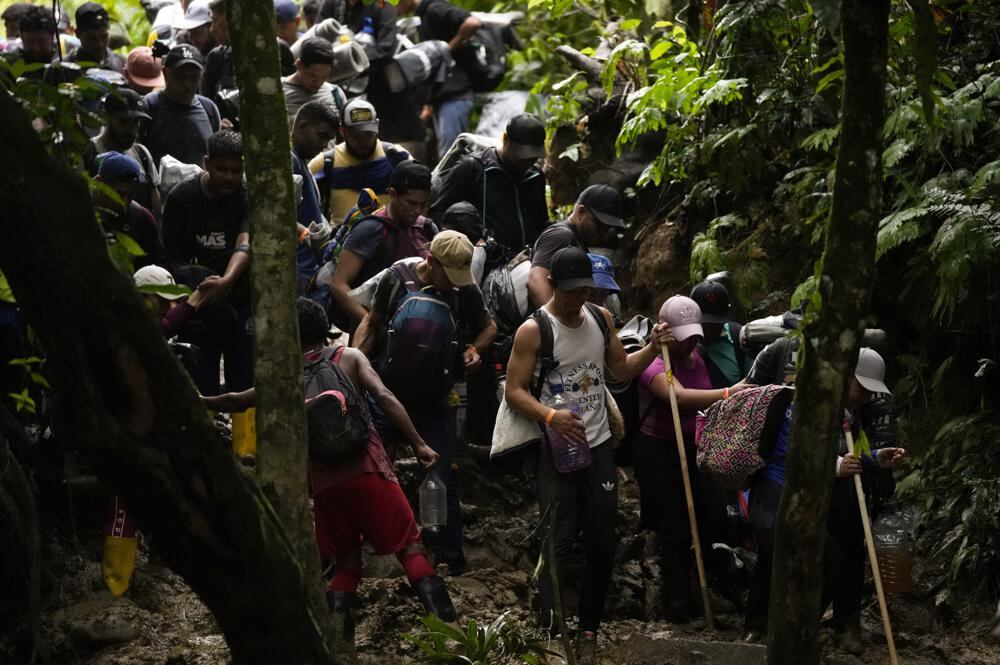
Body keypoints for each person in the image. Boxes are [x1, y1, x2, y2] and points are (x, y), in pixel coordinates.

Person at [204, 297, 457, 650]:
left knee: (346, 561)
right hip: (369, 470)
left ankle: (340, 644)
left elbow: (234, 400)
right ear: (325, 330)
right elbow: (383, 396)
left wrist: (197, 399)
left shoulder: (283, 379)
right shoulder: (349, 357)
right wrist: (418, 443)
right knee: (410, 547)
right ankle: (449, 636)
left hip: (325, 485)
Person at [504, 246, 671, 660]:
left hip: (598, 446)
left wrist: (651, 348)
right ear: (553, 285)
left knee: (602, 540)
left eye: (586, 291)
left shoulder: (600, 318)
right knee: (556, 541)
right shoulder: (534, 330)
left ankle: (589, 631)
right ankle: (549, 635)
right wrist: (548, 416)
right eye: (572, 291)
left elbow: (620, 370)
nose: (579, 299)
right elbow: (513, 391)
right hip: (556, 450)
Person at [741, 344, 906, 653]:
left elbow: (839, 457)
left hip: (819, 493)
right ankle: (761, 626)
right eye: (861, 389)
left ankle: (802, 627)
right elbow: (794, 455)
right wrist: (838, 466)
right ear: (844, 377)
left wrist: (874, 459)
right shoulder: (805, 399)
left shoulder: (845, 409)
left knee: (837, 559)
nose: (865, 398)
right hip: (777, 494)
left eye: (871, 393)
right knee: (777, 558)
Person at [355, 231, 496, 576]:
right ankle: (359, 550)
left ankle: (453, 560)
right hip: (388, 393)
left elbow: (489, 328)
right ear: (430, 262)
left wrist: (474, 349)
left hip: (435, 399)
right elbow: (371, 322)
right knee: (369, 468)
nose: (454, 284)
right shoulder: (397, 278)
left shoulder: (465, 289)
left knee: (441, 476)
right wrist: (353, 367)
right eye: (449, 275)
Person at [634, 295, 754, 623]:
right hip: (660, 453)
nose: (690, 342)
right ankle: (677, 608)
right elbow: (678, 396)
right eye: (683, 336)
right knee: (675, 529)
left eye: (693, 335)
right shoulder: (654, 364)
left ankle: (714, 591)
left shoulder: (698, 356)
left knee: (712, 517)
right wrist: (730, 392)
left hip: (696, 448)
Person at [161, 129, 251, 394]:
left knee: (244, 378)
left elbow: (245, 242)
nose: (229, 177)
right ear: (206, 163)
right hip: (198, 301)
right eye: (221, 169)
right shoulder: (182, 198)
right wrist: (189, 302)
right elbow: (172, 258)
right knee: (200, 378)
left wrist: (226, 282)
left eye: (237, 170)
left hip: (240, 295)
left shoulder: (245, 196)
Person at [329, 160, 437, 328]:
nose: (417, 211)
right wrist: (370, 324)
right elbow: (338, 285)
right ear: (393, 194)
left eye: (422, 205)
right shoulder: (370, 229)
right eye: (411, 203)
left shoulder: (427, 229)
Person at [429, 113, 549, 264]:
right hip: (483, 265)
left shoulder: (536, 176)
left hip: (528, 264)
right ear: (505, 140)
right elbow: (438, 213)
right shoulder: (474, 169)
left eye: (533, 158)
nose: (527, 163)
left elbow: (541, 222)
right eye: (522, 156)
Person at [395, 0, 481, 159]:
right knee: (442, 154)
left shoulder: (434, 8)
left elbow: (472, 22)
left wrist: (448, 48)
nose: (395, 8)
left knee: (451, 155)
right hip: (440, 98)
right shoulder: (421, 18)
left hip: (455, 95)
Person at [308, 98, 411, 225]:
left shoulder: (398, 157)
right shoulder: (325, 163)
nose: (363, 141)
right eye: (356, 135)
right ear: (342, 130)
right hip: (341, 241)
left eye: (368, 134)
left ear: (377, 126)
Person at [527, 185, 625, 309]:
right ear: (581, 212)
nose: (604, 231)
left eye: (608, 227)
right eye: (599, 224)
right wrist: (558, 323)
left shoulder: (578, 239)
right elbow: (536, 281)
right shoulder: (562, 236)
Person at [290, 101, 339, 298]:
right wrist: (303, 234)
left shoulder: (300, 161)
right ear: (301, 126)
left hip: (309, 270)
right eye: (322, 136)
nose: (325, 145)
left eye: (329, 139)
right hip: (299, 270)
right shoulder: (290, 160)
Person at [143, 44, 222, 167]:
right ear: (165, 73)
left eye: (194, 77)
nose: (187, 84)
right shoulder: (149, 106)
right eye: (180, 76)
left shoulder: (209, 109)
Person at [89, 89, 161, 217]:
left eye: (136, 122)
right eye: (123, 122)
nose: (130, 130)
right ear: (106, 116)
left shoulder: (142, 154)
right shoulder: (87, 154)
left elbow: (156, 211)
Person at [93, 152, 165, 269]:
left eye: (130, 195)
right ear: (99, 182)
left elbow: (154, 267)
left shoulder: (142, 219)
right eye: (118, 194)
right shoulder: (81, 214)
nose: (125, 201)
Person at [690, 280, 751, 389]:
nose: (709, 330)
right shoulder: (682, 342)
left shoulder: (740, 337)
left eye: (715, 324)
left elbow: (752, 379)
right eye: (704, 324)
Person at [282, 36, 348, 124]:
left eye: (324, 77)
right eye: (313, 76)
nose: (318, 83)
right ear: (299, 65)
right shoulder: (279, 91)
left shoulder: (335, 94)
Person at [67, 3, 125, 73]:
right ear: (77, 34)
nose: (99, 44)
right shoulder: (64, 70)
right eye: (92, 38)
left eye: (104, 36)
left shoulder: (121, 64)